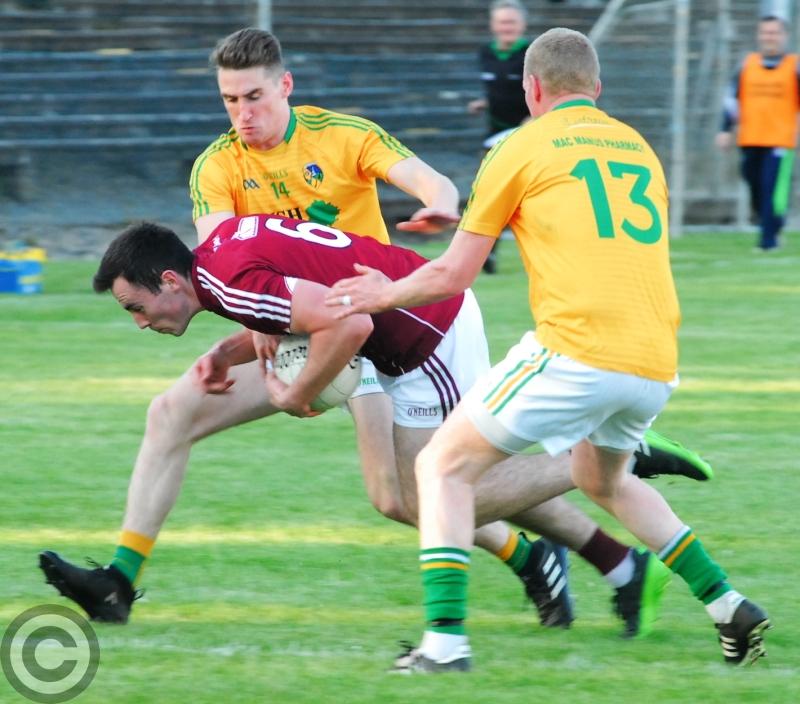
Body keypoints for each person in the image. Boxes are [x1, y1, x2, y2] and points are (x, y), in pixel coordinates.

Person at [39, 27, 709, 631]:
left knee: (411, 492)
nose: (242, 114)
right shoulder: (217, 164)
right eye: (228, 100)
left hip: (379, 326)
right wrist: (243, 339)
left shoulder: (341, 134)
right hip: (303, 329)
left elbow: (428, 183)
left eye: (253, 97)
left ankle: (592, 540)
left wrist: (441, 209)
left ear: (285, 87)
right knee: (172, 411)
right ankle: (120, 582)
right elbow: (220, 262)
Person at [328, 28, 770, 671]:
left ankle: (445, 645)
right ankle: (727, 604)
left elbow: (452, 276)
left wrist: (379, 294)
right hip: (653, 357)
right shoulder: (636, 145)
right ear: (597, 89)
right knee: (603, 479)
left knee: (440, 470)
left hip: (576, 347)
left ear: (531, 90)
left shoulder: (521, 145)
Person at [715, 15, 800, 251]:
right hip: (751, 137)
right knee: (754, 186)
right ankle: (774, 223)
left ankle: (768, 242)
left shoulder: (794, 66)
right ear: (759, 35)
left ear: (784, 36)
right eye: (765, 32)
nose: (769, 37)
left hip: (780, 141)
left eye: (774, 32)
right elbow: (732, 101)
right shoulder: (746, 65)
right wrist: (725, 130)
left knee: (772, 188)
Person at [467, 0, 531, 273]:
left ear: (521, 25)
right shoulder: (486, 52)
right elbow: (498, 88)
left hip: (526, 135)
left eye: (511, 22)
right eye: (502, 22)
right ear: (494, 25)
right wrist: (483, 102)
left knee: (521, 196)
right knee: (486, 193)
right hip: (495, 133)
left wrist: (532, 120)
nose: (507, 27)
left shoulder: (531, 53)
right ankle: (487, 254)